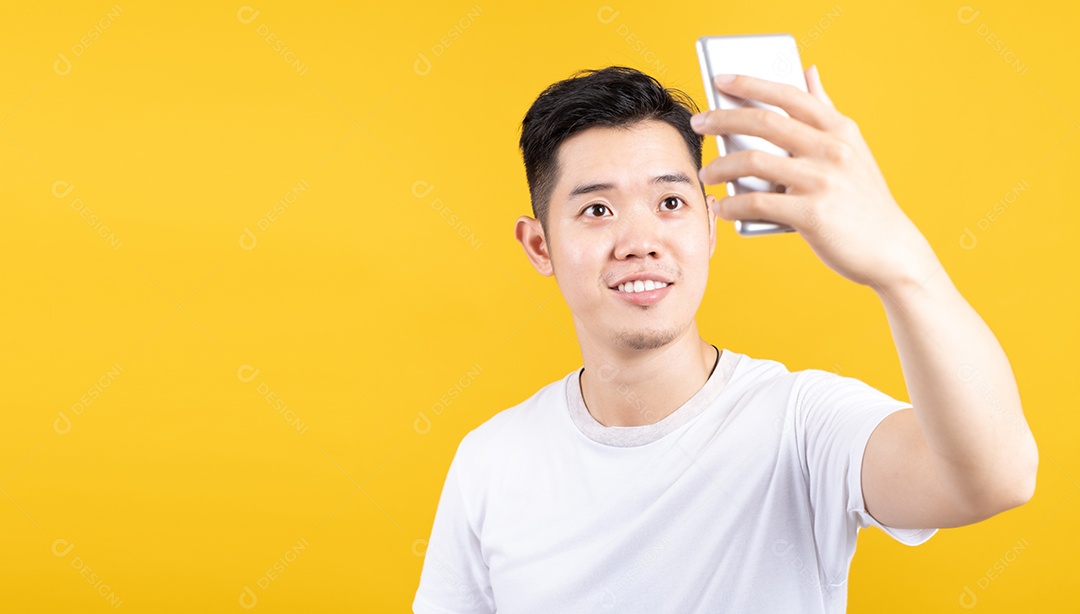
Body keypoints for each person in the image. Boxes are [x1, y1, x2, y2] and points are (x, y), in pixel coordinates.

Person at [412, 65, 1037, 613]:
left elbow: (996, 477)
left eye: (671, 202)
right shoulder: (490, 461)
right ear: (540, 245)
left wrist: (904, 266)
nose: (639, 240)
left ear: (711, 225)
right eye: (597, 210)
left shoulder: (803, 424)